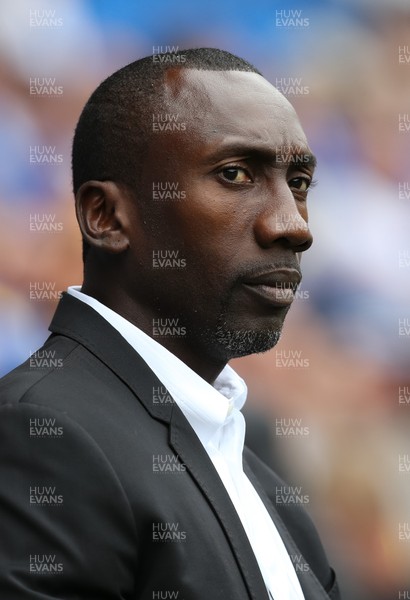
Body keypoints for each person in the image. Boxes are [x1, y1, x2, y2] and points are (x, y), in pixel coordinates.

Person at [0, 48, 341, 599]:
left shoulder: (268, 488)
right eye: (235, 173)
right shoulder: (39, 436)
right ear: (106, 217)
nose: (293, 225)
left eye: (298, 182)